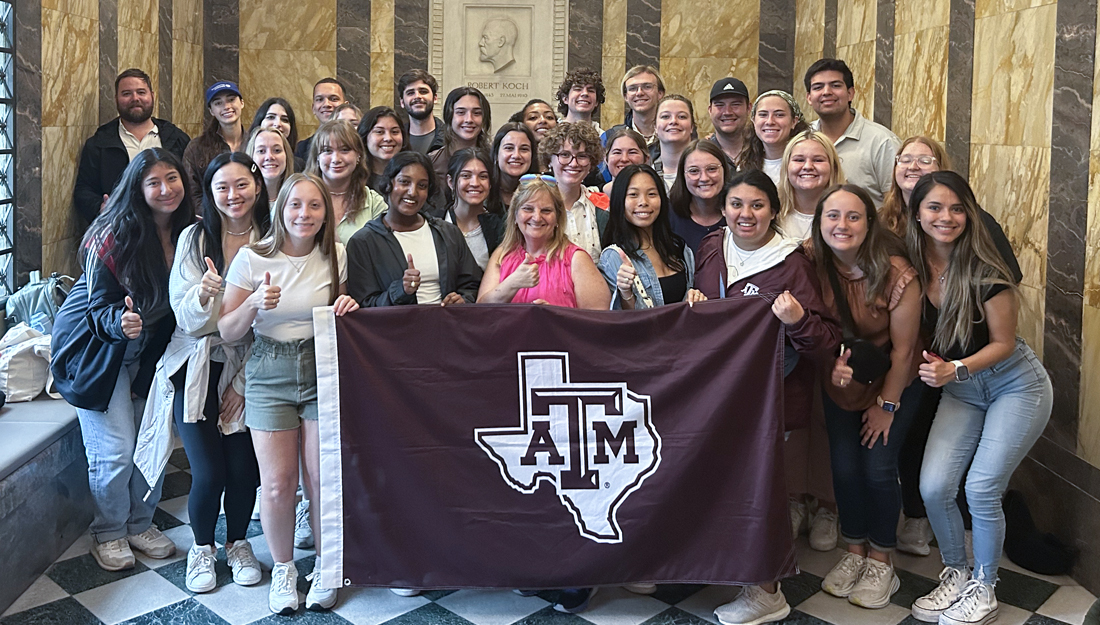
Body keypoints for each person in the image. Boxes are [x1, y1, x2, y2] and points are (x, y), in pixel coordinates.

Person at [694, 169, 840, 625]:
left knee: (762, 494)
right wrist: (694, 307)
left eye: (757, 205)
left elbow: (826, 342)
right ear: (723, 210)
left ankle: (767, 592)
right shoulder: (712, 250)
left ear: (774, 211)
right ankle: (739, 571)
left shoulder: (792, 263)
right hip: (718, 399)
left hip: (772, 401)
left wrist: (797, 320)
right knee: (727, 490)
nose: (746, 214)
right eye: (736, 204)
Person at [906, 171, 1052, 625]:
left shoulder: (986, 269)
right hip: (963, 392)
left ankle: (984, 586)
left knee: (982, 488)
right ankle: (956, 571)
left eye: (956, 208)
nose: (946, 217)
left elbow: (1004, 342)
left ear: (970, 214)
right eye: (934, 207)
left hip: (1014, 384)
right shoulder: (911, 263)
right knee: (933, 487)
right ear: (917, 213)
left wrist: (955, 368)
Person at [218, 173, 359, 615]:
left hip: (321, 366)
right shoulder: (251, 257)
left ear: (326, 213)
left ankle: (325, 564)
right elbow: (227, 329)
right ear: (280, 209)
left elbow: (341, 314)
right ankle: (283, 569)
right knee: (278, 484)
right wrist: (254, 303)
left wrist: (347, 309)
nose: (305, 214)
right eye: (296, 205)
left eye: (314, 206)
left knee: (321, 477)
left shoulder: (335, 254)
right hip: (269, 368)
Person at [51, 148, 195, 572]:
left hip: (150, 351)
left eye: (172, 178)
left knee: (150, 441)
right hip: (96, 349)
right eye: (153, 182)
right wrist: (121, 322)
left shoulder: (189, 231)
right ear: (137, 187)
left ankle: (139, 524)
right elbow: (96, 309)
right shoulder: (111, 234)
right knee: (114, 449)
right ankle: (109, 532)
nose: (165, 189)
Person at [142, 152, 270, 593]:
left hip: (250, 366)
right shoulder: (195, 237)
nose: (232, 195)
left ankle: (237, 544)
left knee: (243, 471)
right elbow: (189, 319)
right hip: (194, 365)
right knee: (209, 471)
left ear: (256, 185)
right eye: (222, 187)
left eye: (241, 185)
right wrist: (204, 293)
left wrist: (242, 380)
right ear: (209, 193)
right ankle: (202, 549)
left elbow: (276, 321)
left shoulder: (271, 238)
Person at [810, 185, 922, 610]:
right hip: (842, 379)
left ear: (870, 224)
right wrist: (831, 365)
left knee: (877, 466)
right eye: (832, 216)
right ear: (819, 225)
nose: (842, 225)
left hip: (894, 379)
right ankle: (853, 550)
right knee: (844, 465)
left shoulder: (896, 274)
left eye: (854, 216)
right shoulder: (813, 262)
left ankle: (882, 559)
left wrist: (886, 406)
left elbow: (904, 351)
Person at [347, 150, 482, 308]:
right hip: (395, 330)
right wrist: (400, 291)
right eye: (404, 182)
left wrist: (463, 299)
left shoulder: (448, 233)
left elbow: (472, 286)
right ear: (389, 184)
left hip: (446, 327)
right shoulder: (363, 242)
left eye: (422, 186)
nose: (413, 192)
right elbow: (363, 306)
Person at [74, 68, 191, 228]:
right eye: (126, 93)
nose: (135, 98)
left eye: (141, 92)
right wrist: (100, 208)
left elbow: (193, 183)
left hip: (172, 229)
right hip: (121, 232)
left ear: (152, 96)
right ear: (116, 99)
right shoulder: (99, 144)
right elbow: (83, 190)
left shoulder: (177, 139)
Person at [477, 175, 611, 310]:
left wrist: (555, 317)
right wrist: (512, 283)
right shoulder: (502, 254)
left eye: (546, 210)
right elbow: (480, 313)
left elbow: (598, 322)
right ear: (515, 216)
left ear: (558, 218)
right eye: (528, 209)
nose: (536, 217)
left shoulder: (577, 259)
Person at [599, 164, 704, 309]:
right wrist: (625, 292)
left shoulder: (678, 247)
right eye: (633, 195)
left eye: (652, 194)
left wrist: (695, 297)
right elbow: (622, 322)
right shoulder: (614, 257)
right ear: (619, 201)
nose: (643, 202)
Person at [805, 59, 900, 207]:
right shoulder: (802, 138)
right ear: (809, 98)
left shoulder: (882, 141)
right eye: (818, 87)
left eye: (835, 85)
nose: (826, 92)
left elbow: (896, 205)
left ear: (850, 93)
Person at [304, 119, 387, 244]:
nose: (336, 159)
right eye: (327, 151)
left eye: (344, 150)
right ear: (317, 157)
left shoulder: (375, 204)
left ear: (358, 155)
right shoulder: (297, 197)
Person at [538, 122, 609, 262]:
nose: (573, 163)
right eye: (564, 154)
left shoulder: (603, 208)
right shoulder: (533, 207)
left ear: (591, 162)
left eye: (582, 156)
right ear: (549, 160)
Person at [183, 81, 246, 211]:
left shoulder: (257, 143)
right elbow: (191, 192)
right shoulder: (196, 147)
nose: (226, 106)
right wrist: (212, 217)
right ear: (211, 111)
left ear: (242, 103)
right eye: (218, 103)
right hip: (210, 222)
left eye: (231, 99)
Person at [777, 130, 845, 241]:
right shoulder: (770, 211)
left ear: (833, 167)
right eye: (799, 160)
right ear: (786, 166)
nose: (808, 166)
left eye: (818, 160)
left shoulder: (849, 214)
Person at [879, 136, 951, 237]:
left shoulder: (958, 217)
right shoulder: (881, 220)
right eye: (905, 160)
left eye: (924, 161)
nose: (913, 167)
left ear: (940, 168)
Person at [445, 148, 504, 269]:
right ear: (451, 182)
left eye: (483, 177)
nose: (475, 183)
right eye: (466, 176)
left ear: (490, 183)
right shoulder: (435, 221)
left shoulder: (499, 228)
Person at [668, 140, 731, 253]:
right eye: (694, 171)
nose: (704, 178)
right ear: (683, 176)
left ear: (724, 170)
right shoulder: (667, 216)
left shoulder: (738, 215)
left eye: (712, 169)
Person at [740, 90, 809, 185]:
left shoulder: (808, 164)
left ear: (794, 121)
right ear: (754, 121)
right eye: (763, 114)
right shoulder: (744, 165)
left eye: (779, 115)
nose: (770, 121)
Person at [428, 87, 492, 185]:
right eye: (461, 112)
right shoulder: (432, 162)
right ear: (449, 117)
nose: (469, 119)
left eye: (477, 113)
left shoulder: (494, 160)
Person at [606, 65, 666, 159]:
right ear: (626, 96)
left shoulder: (675, 135)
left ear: (660, 93)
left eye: (647, 87)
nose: (639, 93)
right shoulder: (610, 137)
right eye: (633, 88)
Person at [358, 106, 411, 194]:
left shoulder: (417, 173)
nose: (388, 138)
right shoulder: (352, 177)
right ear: (365, 137)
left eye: (394, 132)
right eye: (379, 132)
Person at [489, 122, 539, 214]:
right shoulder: (484, 191)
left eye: (524, 149)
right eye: (509, 148)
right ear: (496, 154)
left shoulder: (542, 194)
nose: (516, 155)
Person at [295, 77, 349, 161]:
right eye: (320, 99)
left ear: (346, 106)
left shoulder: (360, 144)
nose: (326, 104)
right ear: (313, 108)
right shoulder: (300, 149)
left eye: (333, 99)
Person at [248, 126, 296, 215]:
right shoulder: (243, 201)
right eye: (261, 151)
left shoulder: (298, 197)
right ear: (251, 156)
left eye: (277, 150)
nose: (269, 157)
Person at [704, 77, 751, 166]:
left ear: (748, 108)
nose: (727, 112)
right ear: (710, 110)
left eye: (735, 104)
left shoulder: (763, 151)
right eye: (720, 105)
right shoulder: (700, 154)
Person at [654, 95, 696, 190]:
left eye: (681, 116)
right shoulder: (645, 174)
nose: (673, 121)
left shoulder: (707, 174)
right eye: (665, 116)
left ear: (692, 127)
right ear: (655, 126)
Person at [398, 69, 445, 154]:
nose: (417, 96)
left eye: (423, 92)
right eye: (410, 93)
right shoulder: (395, 140)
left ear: (435, 98)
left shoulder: (451, 138)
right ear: (402, 102)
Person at [249, 97, 302, 170]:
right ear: (259, 122)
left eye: (285, 120)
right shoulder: (243, 164)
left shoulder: (299, 166)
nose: (278, 124)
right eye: (271, 117)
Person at [601, 126, 649, 195]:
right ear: (606, 159)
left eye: (632, 152)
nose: (624, 159)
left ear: (646, 159)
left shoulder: (657, 197)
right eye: (617, 152)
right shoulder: (594, 201)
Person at [556, 68, 605, 133]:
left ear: (597, 102)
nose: (585, 93)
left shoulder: (606, 139)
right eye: (578, 89)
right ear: (565, 98)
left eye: (590, 90)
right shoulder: (549, 135)